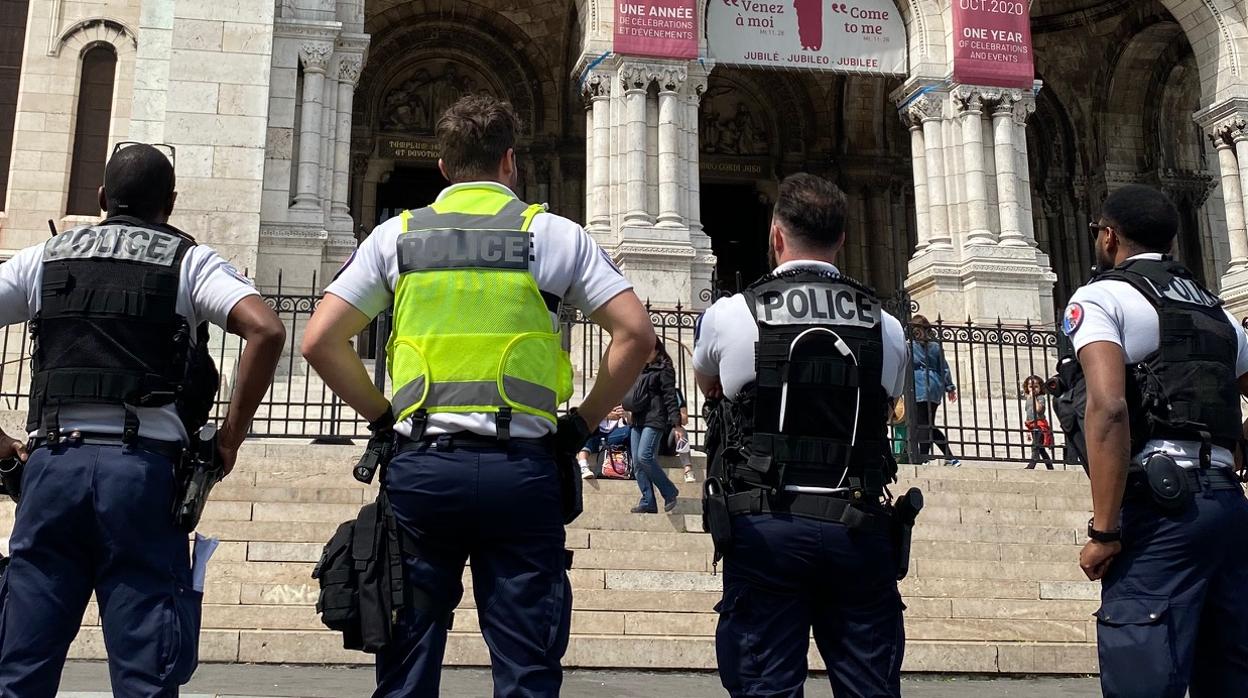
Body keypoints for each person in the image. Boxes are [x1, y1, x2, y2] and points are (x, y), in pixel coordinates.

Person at [301, 94, 654, 697]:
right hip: (523, 472)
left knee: (406, 663)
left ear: (443, 167)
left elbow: (318, 341)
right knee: (527, 667)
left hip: (424, 470)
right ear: (511, 162)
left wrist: (383, 417)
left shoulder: (398, 237)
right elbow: (638, 335)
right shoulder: (553, 235)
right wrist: (581, 426)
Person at [0, 143, 286, 697]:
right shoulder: (188, 260)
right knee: (146, 676)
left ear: (103, 197)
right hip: (143, 479)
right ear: (170, 203)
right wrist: (229, 439)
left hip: (52, 468)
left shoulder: (49, 256)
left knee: (21, 671)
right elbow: (267, 330)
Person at [693, 173, 910, 697]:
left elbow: (709, 385)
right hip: (856, 525)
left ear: (774, 235)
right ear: (842, 240)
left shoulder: (731, 314)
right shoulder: (887, 326)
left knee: (765, 686)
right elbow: (889, 403)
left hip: (766, 528)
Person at [1057, 184, 1248, 697]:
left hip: (1162, 506)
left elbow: (1108, 407)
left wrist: (1104, 530)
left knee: (1142, 669)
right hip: (1226, 502)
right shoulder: (1218, 312)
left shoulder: (1102, 296)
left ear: (1108, 237)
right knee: (1229, 669)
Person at [623, 338, 683, 514]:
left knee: (645, 456)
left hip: (655, 419)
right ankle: (648, 500)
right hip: (638, 419)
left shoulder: (665, 369)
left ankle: (669, 490)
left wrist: (676, 424)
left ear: (657, 349)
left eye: (647, 350)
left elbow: (670, 397)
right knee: (637, 462)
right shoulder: (640, 368)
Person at [910, 314, 960, 466]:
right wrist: (949, 387)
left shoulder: (911, 345)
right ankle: (946, 457)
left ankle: (925, 457)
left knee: (924, 423)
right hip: (935, 385)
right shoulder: (935, 346)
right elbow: (943, 367)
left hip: (919, 384)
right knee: (928, 423)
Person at [577, 405, 630, 479]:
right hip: (595, 433)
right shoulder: (594, 397)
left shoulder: (623, 399)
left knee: (630, 430)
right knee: (586, 432)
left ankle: (632, 466)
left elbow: (631, 423)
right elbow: (584, 415)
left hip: (612, 435)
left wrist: (626, 415)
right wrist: (606, 416)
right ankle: (583, 465)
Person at [1021, 375, 1055, 470]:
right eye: (1031, 387)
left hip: (1040, 426)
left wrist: (1034, 398)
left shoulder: (1040, 398)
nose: (1033, 389)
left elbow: (1039, 410)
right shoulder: (1028, 399)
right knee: (1041, 449)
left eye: (1036, 387)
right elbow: (1028, 414)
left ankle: (1032, 464)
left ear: (1040, 388)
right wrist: (1028, 430)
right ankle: (1050, 466)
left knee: (1035, 445)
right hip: (1032, 425)